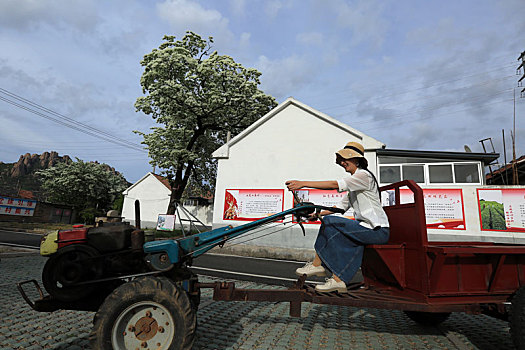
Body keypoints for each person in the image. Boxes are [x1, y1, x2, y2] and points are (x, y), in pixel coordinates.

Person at [285, 141, 390, 293]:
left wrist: (303, 183)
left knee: (330, 223)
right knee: (345, 236)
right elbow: (339, 208)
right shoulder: (355, 184)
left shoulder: (363, 176)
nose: (342, 163)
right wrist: (316, 214)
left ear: (357, 160)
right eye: (341, 160)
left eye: (346, 159)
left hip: (377, 230)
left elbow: (335, 184)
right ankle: (338, 281)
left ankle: (317, 265)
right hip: (366, 229)